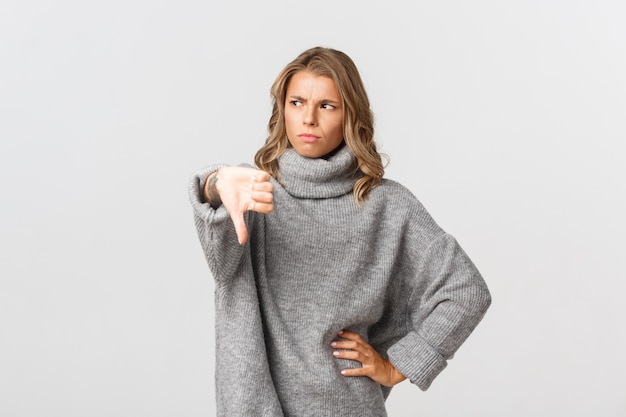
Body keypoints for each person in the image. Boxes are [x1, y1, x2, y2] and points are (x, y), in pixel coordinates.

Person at [188, 46, 491, 417]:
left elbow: (466, 291)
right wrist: (215, 184)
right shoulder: (252, 192)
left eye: (327, 106)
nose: (309, 118)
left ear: (351, 115)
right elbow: (223, 262)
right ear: (281, 110)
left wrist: (397, 366)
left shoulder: (385, 205)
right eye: (296, 102)